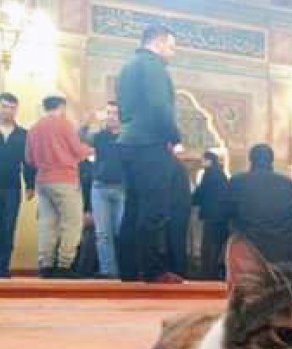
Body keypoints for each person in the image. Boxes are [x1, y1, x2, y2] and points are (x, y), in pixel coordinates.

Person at [116, 24, 183, 283]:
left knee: (133, 208)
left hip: (128, 142)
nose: (172, 53)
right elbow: (159, 106)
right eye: (171, 47)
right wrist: (174, 139)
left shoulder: (128, 66)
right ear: (158, 43)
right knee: (154, 208)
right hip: (150, 143)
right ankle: (154, 270)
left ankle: (129, 270)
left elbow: (124, 110)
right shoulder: (153, 66)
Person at [25, 94, 92, 278]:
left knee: (47, 224)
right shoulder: (65, 124)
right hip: (65, 179)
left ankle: (46, 265)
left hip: (43, 181)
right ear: (61, 107)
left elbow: (29, 158)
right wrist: (91, 149)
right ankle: (64, 265)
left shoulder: (34, 128)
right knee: (72, 223)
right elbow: (77, 150)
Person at [226, 144, 292, 265]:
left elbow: (228, 215)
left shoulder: (238, 181)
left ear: (250, 160)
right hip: (285, 253)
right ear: (272, 161)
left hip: (250, 254)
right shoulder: (286, 183)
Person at [82, 101, 125, 278]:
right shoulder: (99, 136)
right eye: (108, 112)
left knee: (121, 232)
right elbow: (80, 136)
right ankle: (109, 272)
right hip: (99, 187)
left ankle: (124, 271)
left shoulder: (128, 137)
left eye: (115, 113)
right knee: (102, 234)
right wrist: (87, 121)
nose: (111, 116)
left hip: (123, 188)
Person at [0, 92, 35, 278]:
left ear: (16, 109)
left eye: (12, 107)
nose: (7, 111)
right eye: (4, 106)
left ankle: (2, 269)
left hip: (12, 188)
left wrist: (30, 184)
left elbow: (28, 162)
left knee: (8, 227)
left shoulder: (23, 134)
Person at [193, 150, 229, 279]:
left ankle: (207, 273)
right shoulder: (221, 173)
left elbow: (201, 192)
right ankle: (214, 272)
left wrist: (189, 200)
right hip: (222, 216)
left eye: (203, 160)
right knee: (217, 246)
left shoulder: (209, 173)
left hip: (211, 215)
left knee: (208, 246)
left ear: (208, 160)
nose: (202, 163)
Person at [167, 153, 191, 278]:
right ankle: (179, 271)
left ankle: (177, 272)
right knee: (178, 243)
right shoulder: (179, 167)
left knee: (174, 244)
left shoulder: (171, 166)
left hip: (174, 210)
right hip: (181, 210)